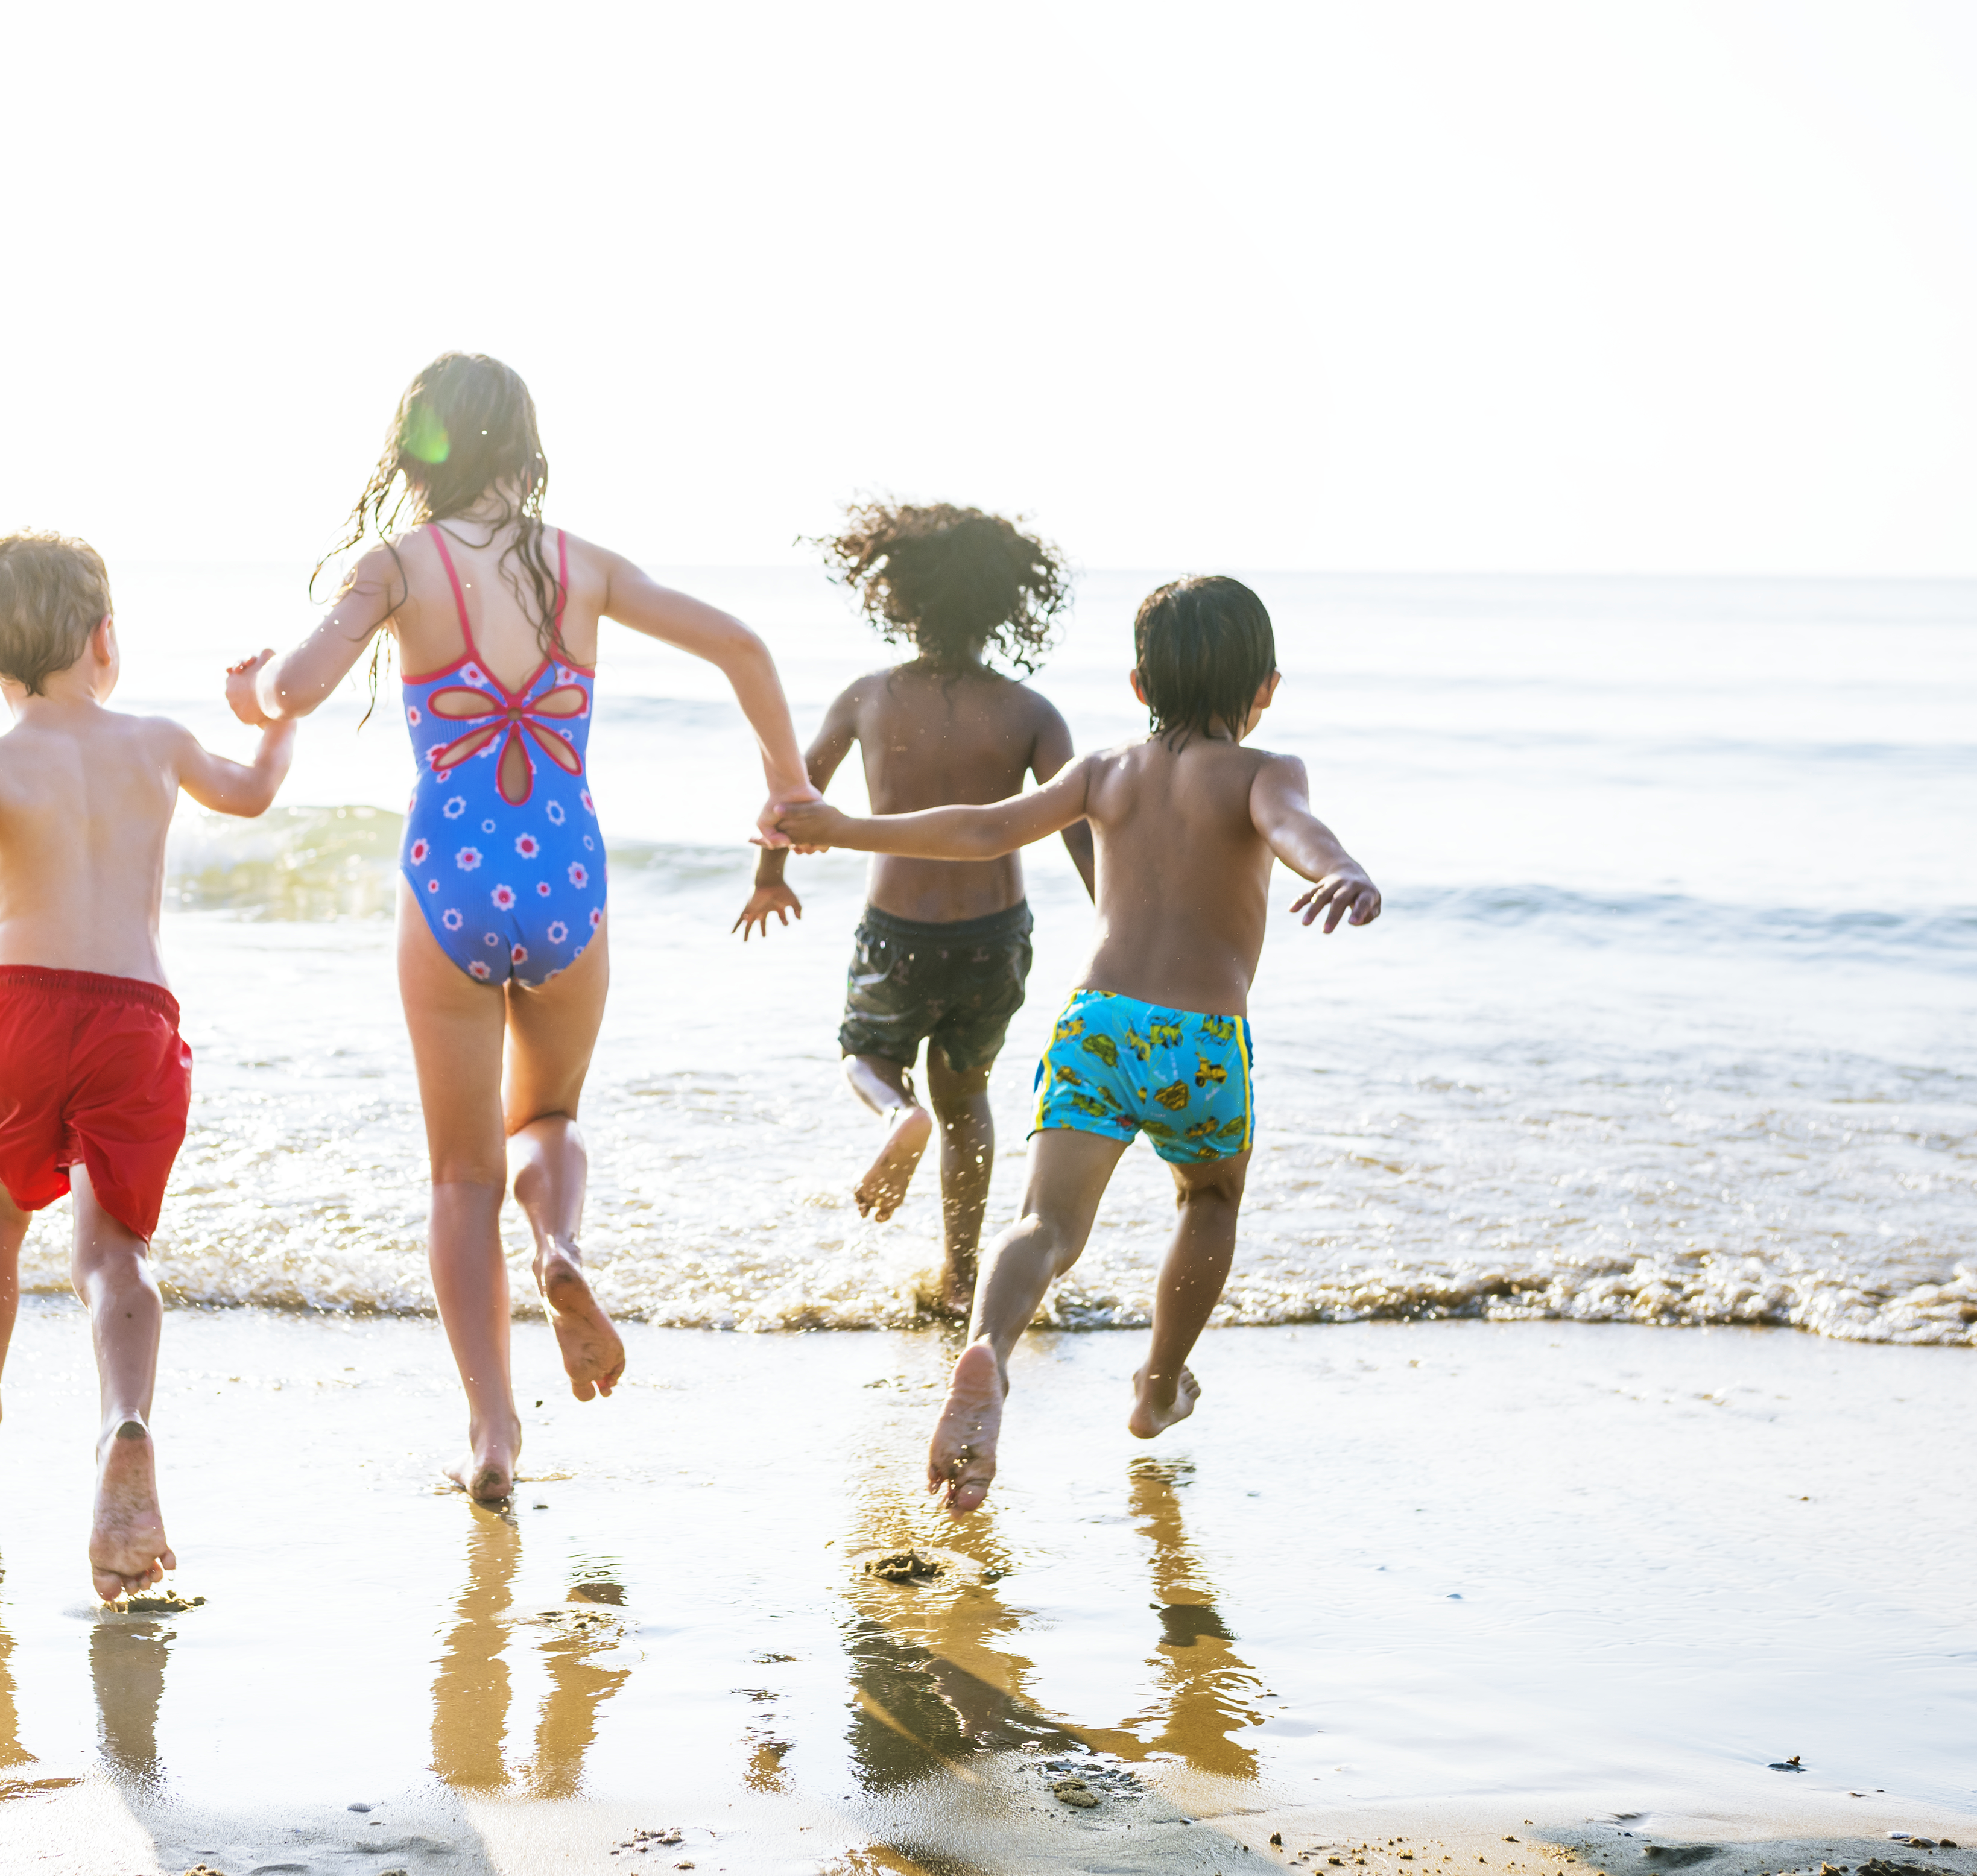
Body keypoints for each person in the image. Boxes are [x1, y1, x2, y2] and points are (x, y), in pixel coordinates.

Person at [227, 352, 818, 1502]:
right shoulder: (581, 565)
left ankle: (494, 1432)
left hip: (449, 878)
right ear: (527, 445)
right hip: (568, 885)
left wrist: (250, 696)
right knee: (547, 1113)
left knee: (460, 1176)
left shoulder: (397, 566)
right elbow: (744, 645)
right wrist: (785, 792)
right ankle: (562, 1251)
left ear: (419, 449)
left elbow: (296, 687)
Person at [772, 575, 1380, 1513]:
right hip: (1201, 1040)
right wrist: (1338, 867)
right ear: (1265, 689)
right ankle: (1157, 1385)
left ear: (1139, 686)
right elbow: (1295, 830)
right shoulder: (1265, 771)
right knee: (1210, 1198)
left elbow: (981, 829)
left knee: (1046, 1227)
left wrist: (847, 826)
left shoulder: (1102, 769)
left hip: (1096, 1022)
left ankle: (989, 1351)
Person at [0, 531, 296, 1599]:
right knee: (114, 1249)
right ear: (107, 641)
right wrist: (276, 715)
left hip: (21, 1009)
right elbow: (253, 792)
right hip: (134, 1014)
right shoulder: (158, 742)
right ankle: (125, 1419)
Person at [734, 502, 1096, 1312]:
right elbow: (1080, 827)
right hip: (993, 943)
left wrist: (770, 876)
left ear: (896, 596)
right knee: (967, 1099)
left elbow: (795, 795)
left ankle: (897, 1114)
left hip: (897, 937)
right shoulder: (1031, 712)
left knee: (864, 1055)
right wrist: (1118, 917)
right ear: (1011, 604)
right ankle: (962, 1275)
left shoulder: (870, 696)